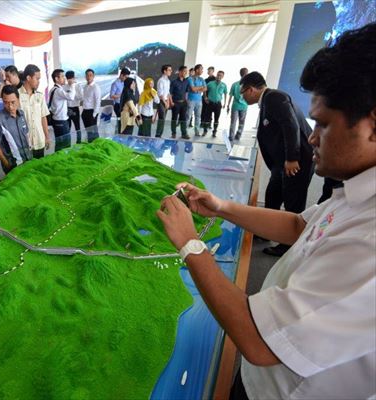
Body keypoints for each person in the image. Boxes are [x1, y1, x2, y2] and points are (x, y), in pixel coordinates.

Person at [157, 22, 376, 400]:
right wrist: (221, 206)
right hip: (261, 381)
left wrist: (190, 243)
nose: (311, 137)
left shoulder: (370, 241)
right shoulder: (357, 195)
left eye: (322, 124)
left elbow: (258, 342)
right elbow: (297, 225)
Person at [240, 71, 314, 257]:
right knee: (273, 194)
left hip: (296, 161)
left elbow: (291, 126)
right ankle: (267, 231)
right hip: (281, 163)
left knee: (293, 201)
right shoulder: (268, 100)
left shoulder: (275, 98)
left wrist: (292, 158)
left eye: (242, 93)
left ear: (250, 89)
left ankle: (288, 244)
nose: (242, 97)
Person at [0, 85, 32, 174]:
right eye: (6, 102)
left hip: (28, 159)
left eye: (13, 102)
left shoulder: (21, 114)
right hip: (13, 164)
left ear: (18, 99)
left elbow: (26, 134)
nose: (10, 106)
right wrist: (5, 161)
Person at [18, 64, 50, 159]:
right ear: (28, 78)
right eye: (37, 78)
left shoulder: (39, 96)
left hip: (39, 140)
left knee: (39, 167)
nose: (38, 82)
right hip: (25, 142)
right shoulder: (17, 95)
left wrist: (47, 137)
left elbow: (43, 117)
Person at [48, 68, 75, 152]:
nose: (65, 78)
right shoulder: (58, 90)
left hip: (57, 120)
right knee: (65, 144)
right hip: (61, 121)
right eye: (62, 76)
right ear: (56, 78)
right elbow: (71, 97)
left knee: (60, 143)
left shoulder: (53, 89)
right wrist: (72, 85)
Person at [201, 70, 228, 137]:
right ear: (216, 75)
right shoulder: (210, 83)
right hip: (210, 103)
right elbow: (204, 90)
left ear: (223, 77)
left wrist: (225, 103)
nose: (219, 76)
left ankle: (214, 132)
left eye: (221, 75)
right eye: (218, 75)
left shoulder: (224, 85)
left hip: (218, 104)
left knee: (216, 118)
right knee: (206, 118)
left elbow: (225, 94)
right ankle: (205, 131)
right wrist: (205, 97)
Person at [227, 68, 249, 141]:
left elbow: (230, 96)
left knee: (238, 122)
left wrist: (228, 105)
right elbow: (230, 95)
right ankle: (233, 136)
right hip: (237, 106)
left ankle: (235, 136)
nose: (246, 74)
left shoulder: (247, 85)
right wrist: (228, 105)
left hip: (243, 106)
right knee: (237, 122)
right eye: (245, 73)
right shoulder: (235, 84)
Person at [169, 65, 191, 139]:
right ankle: (173, 133)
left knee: (183, 118)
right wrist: (171, 102)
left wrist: (187, 101)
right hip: (175, 103)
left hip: (183, 103)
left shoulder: (187, 81)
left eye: (186, 72)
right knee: (174, 118)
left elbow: (187, 92)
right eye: (184, 71)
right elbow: (170, 93)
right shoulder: (174, 82)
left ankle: (184, 133)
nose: (185, 73)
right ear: (180, 72)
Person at [186, 64, 207, 136]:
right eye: (201, 69)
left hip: (199, 101)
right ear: (197, 70)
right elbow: (192, 89)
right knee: (188, 116)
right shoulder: (190, 78)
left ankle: (197, 132)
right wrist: (200, 87)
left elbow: (205, 88)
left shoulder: (202, 79)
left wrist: (197, 89)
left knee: (198, 116)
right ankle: (185, 132)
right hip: (191, 100)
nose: (202, 71)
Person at [81, 68, 101, 139]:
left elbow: (98, 101)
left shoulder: (96, 87)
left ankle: (97, 147)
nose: (89, 77)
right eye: (87, 75)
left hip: (92, 112)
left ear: (93, 76)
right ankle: (90, 146)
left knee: (94, 132)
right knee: (88, 132)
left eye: (90, 75)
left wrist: (94, 114)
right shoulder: (85, 86)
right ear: (85, 76)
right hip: (85, 112)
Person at [65, 70, 83, 143]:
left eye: (71, 78)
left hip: (75, 108)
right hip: (67, 109)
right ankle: (67, 142)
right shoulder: (64, 87)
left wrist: (73, 92)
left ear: (74, 78)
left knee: (77, 127)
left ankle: (78, 142)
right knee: (67, 128)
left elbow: (81, 97)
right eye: (68, 78)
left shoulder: (78, 86)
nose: (69, 80)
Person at [110, 68, 130, 133]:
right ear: (121, 75)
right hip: (118, 105)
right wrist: (121, 95)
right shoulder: (115, 83)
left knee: (124, 122)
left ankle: (121, 134)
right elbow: (112, 95)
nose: (126, 79)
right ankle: (118, 135)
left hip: (124, 105)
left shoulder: (125, 83)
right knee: (120, 122)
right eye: (125, 77)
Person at [156, 64, 172, 138]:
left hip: (166, 101)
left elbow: (168, 92)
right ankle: (158, 135)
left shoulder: (168, 81)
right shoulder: (161, 80)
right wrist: (165, 102)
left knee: (163, 119)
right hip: (161, 102)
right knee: (161, 118)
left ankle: (160, 134)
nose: (171, 71)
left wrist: (168, 102)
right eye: (169, 70)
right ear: (164, 71)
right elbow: (160, 94)